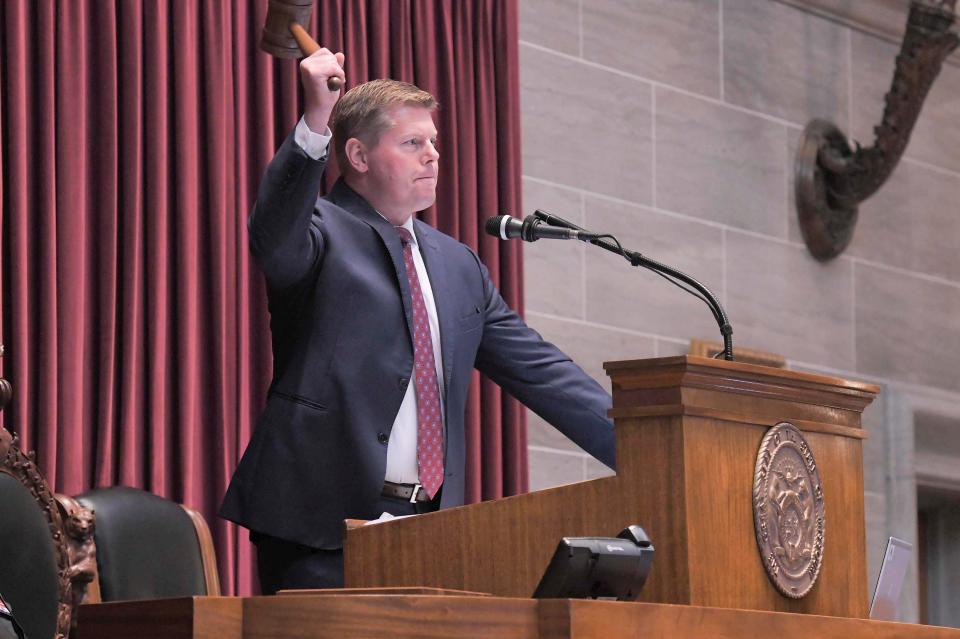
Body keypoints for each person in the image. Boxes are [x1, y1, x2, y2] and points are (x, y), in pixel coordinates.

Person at [219, 48, 615, 594]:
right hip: (319, 526)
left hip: (431, 530)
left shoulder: (458, 265)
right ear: (356, 155)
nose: (432, 156)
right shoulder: (319, 231)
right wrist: (316, 123)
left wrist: (644, 445)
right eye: (412, 144)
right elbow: (273, 234)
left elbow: (543, 372)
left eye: (433, 143)